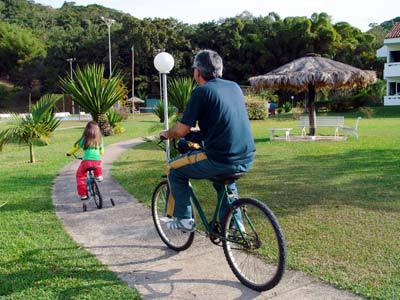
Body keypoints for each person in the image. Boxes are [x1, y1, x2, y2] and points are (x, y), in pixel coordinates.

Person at [160, 49, 256, 232]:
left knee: (173, 169)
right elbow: (223, 120)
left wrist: (166, 133)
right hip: (246, 157)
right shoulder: (234, 87)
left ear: (197, 71)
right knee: (224, 181)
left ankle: (185, 221)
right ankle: (235, 224)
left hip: (219, 158)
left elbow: (181, 130)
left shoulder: (201, 92)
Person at [66, 121, 104, 200]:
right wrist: (100, 153)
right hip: (97, 161)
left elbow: (75, 148)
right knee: (97, 165)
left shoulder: (84, 139)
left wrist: (69, 153)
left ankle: (83, 194)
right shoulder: (99, 139)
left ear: (86, 130)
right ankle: (98, 175)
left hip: (86, 162)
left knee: (80, 176)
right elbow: (102, 151)